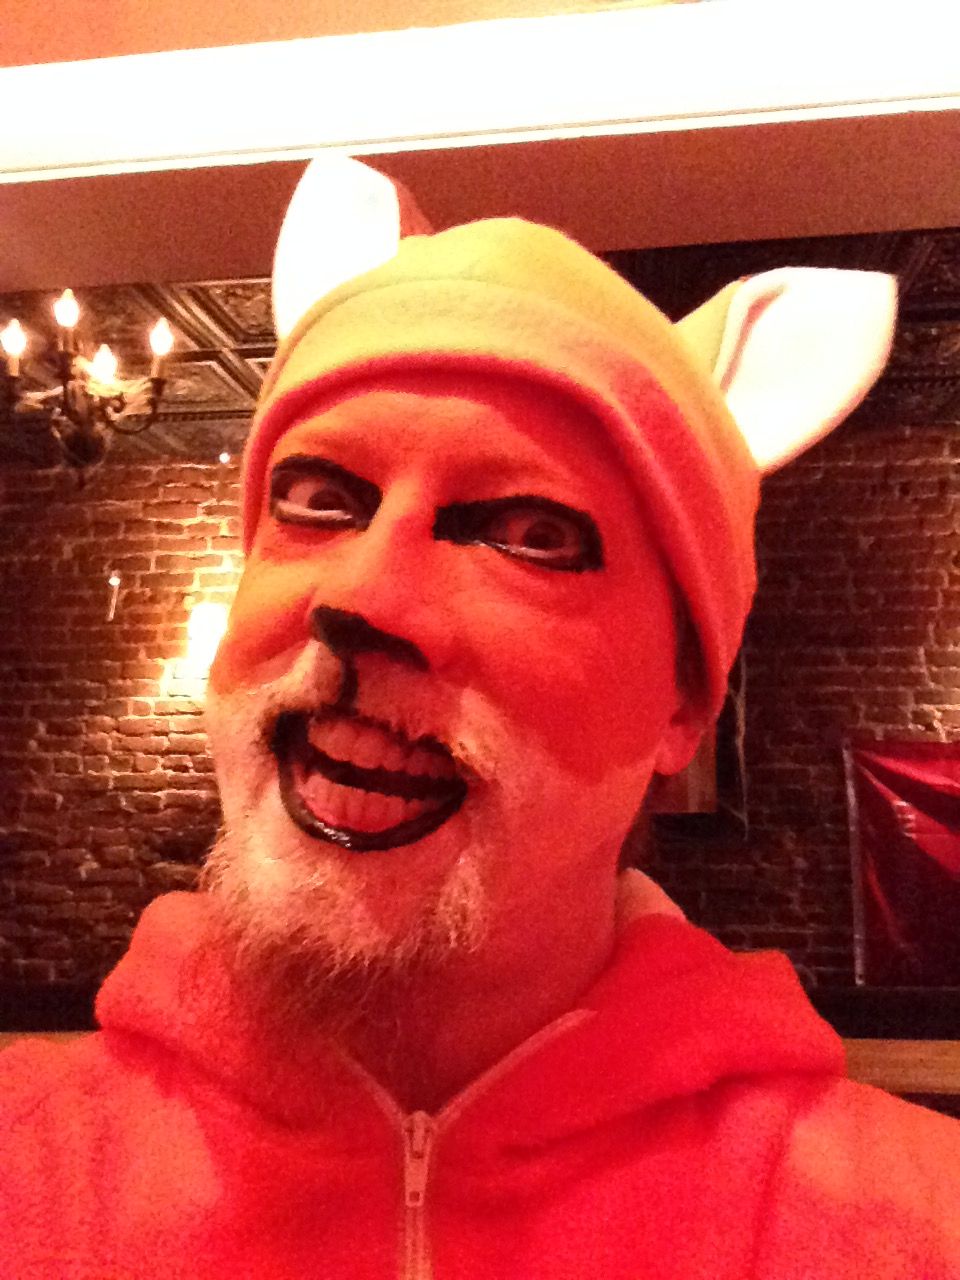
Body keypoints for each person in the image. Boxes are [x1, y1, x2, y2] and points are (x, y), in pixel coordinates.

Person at [3, 160, 959, 1279]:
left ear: (683, 706)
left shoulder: (908, 1226)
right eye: (320, 500)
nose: (361, 599)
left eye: (529, 533)